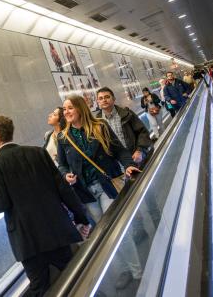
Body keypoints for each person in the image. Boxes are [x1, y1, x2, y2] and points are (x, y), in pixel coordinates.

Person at [0, 115, 90, 297]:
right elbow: (62, 188)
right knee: (75, 274)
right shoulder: (37, 152)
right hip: (55, 230)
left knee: (39, 286)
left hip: (27, 239)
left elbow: (1, 202)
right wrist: (81, 218)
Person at [56, 95, 142, 289]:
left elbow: (119, 150)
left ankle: (137, 270)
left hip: (107, 185)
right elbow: (62, 165)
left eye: (70, 108)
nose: (66, 112)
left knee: (115, 228)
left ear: (80, 109)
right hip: (85, 192)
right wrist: (65, 175)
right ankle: (123, 269)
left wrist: (128, 165)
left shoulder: (100, 126)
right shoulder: (63, 137)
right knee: (103, 234)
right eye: (64, 109)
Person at [95, 87, 152, 166]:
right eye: (100, 98)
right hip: (117, 165)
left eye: (107, 97)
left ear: (114, 99)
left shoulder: (126, 113)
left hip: (135, 157)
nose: (104, 100)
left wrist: (139, 150)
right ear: (98, 102)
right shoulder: (96, 122)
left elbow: (142, 132)